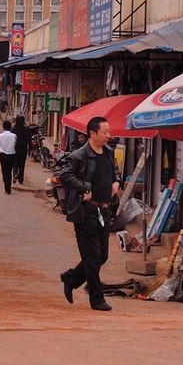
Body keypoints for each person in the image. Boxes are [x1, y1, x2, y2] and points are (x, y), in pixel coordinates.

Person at [58, 116, 120, 312]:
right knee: (92, 257)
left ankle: (71, 277)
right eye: (105, 132)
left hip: (104, 209)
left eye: (109, 132)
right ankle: (96, 298)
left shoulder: (109, 153)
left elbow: (115, 171)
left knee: (102, 256)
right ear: (92, 134)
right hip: (85, 212)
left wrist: (117, 181)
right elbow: (65, 175)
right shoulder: (79, 155)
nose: (108, 135)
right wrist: (84, 187)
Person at [0, 120, 17, 194]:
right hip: (11, 155)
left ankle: (6, 187)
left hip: (3, 155)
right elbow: (15, 145)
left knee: (4, 172)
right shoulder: (14, 136)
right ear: (10, 127)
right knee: (9, 171)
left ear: (3, 127)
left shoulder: (0, 136)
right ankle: (9, 187)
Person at [11, 116, 31, 185]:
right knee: (22, 164)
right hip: (23, 149)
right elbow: (29, 140)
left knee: (15, 163)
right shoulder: (26, 130)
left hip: (15, 149)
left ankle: (15, 174)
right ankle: (20, 179)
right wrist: (30, 149)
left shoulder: (13, 129)